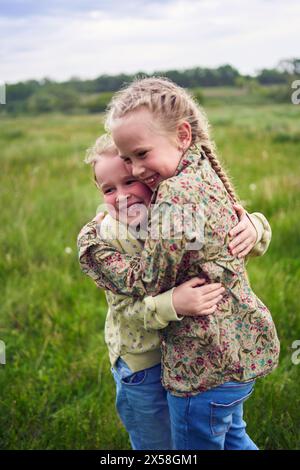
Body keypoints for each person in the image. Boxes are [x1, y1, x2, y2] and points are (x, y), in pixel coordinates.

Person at [78, 77, 280, 450]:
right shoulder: (107, 238)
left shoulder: (173, 204)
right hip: (143, 363)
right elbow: (125, 308)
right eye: (108, 189)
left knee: (213, 435)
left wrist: (254, 226)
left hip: (194, 358)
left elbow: (221, 234)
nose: (127, 189)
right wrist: (173, 304)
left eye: (132, 175)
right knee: (157, 444)